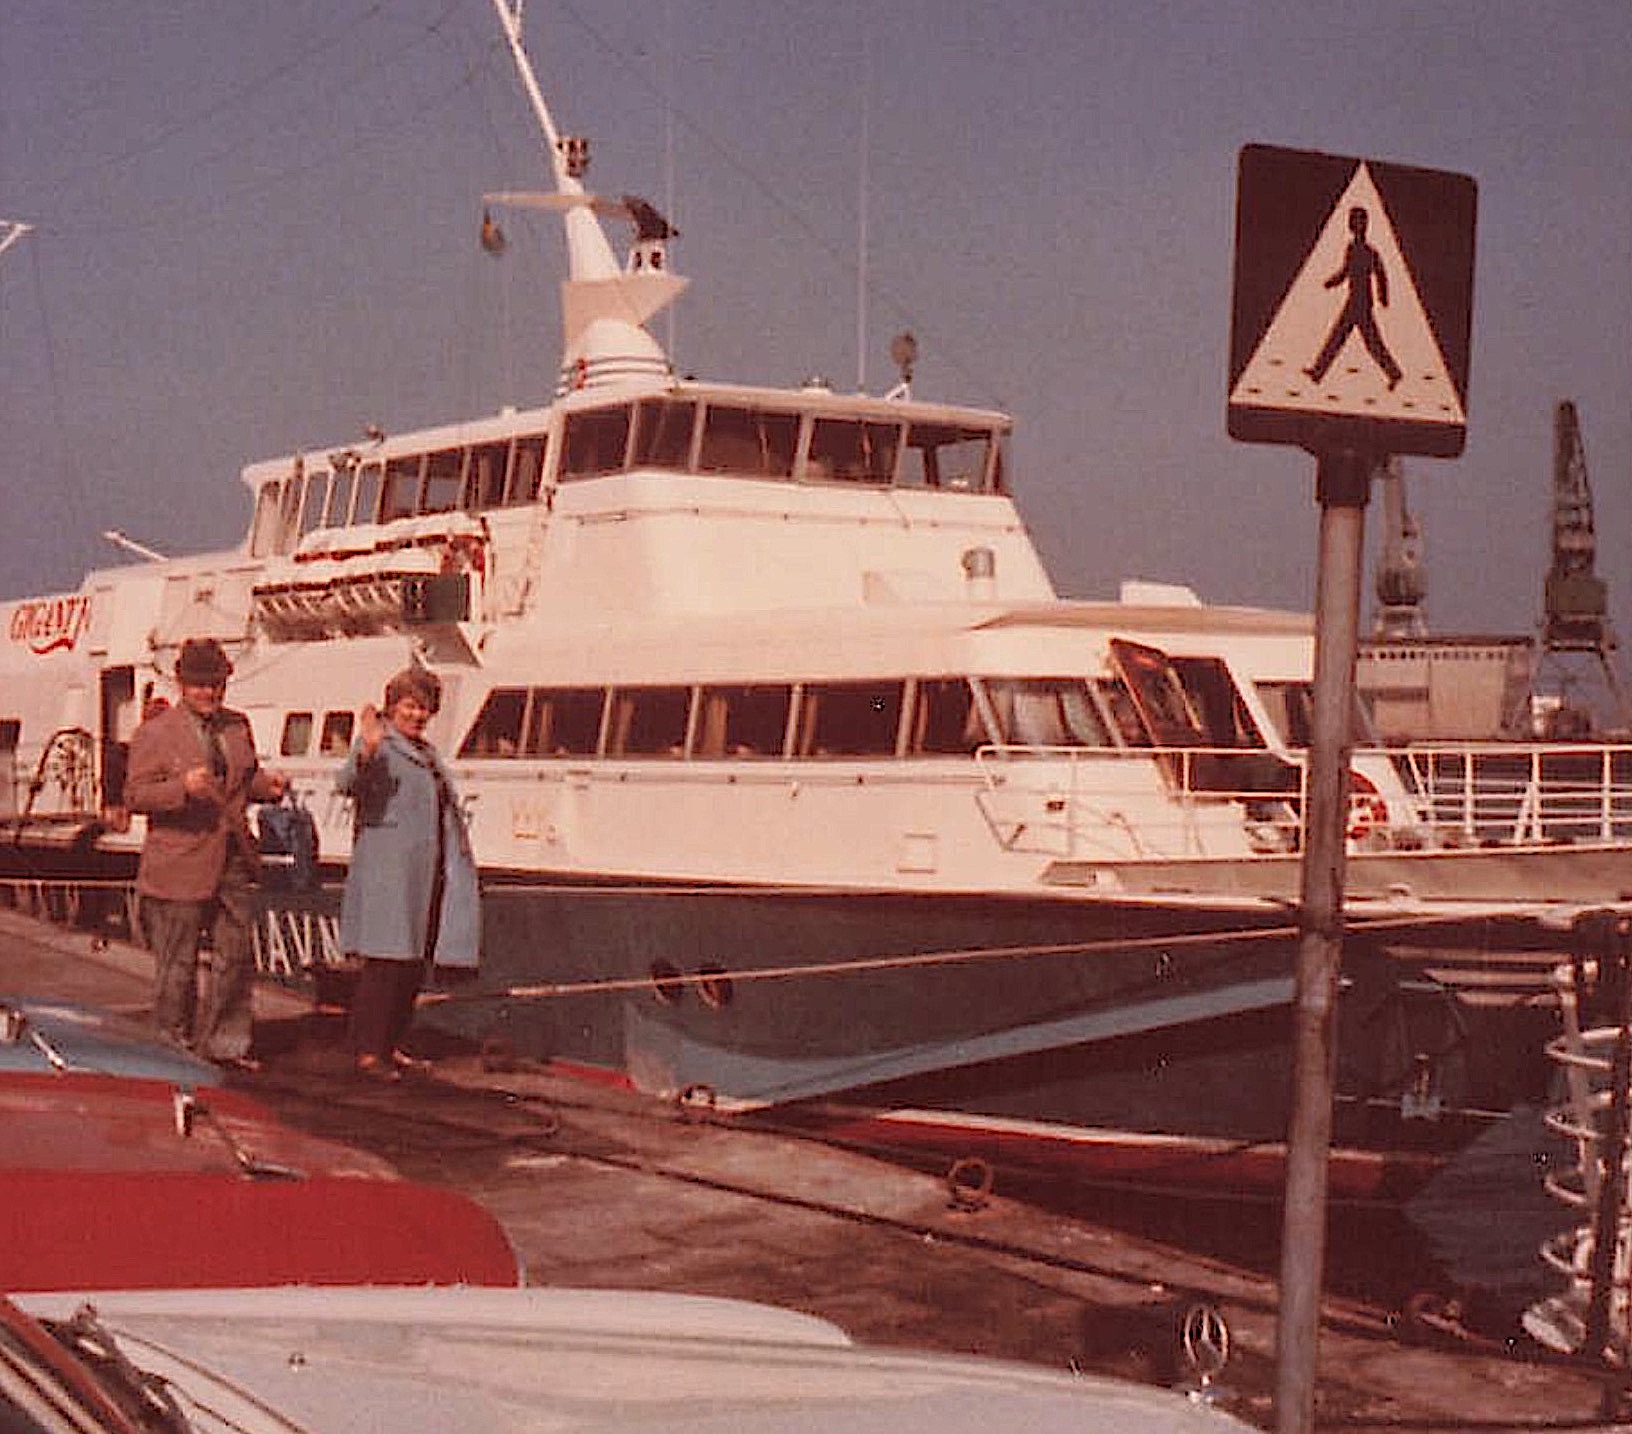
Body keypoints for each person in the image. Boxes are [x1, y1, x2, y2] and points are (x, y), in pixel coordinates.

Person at [123, 637, 286, 1071]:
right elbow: (135, 795)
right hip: (178, 865)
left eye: (216, 684)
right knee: (177, 965)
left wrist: (266, 787)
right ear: (181, 684)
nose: (209, 692)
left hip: (232, 856)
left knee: (236, 957)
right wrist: (180, 790)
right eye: (200, 685)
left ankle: (225, 1045)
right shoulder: (154, 733)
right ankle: (171, 1048)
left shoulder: (238, 726)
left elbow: (242, 780)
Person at [336, 666, 479, 1081]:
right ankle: (367, 1051)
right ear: (392, 706)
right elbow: (346, 782)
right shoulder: (379, 746)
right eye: (410, 706)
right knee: (385, 964)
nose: (418, 715)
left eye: (425, 708)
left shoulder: (427, 754)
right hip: (388, 874)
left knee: (411, 964)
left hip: (422, 873)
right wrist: (364, 747)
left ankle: (391, 1043)